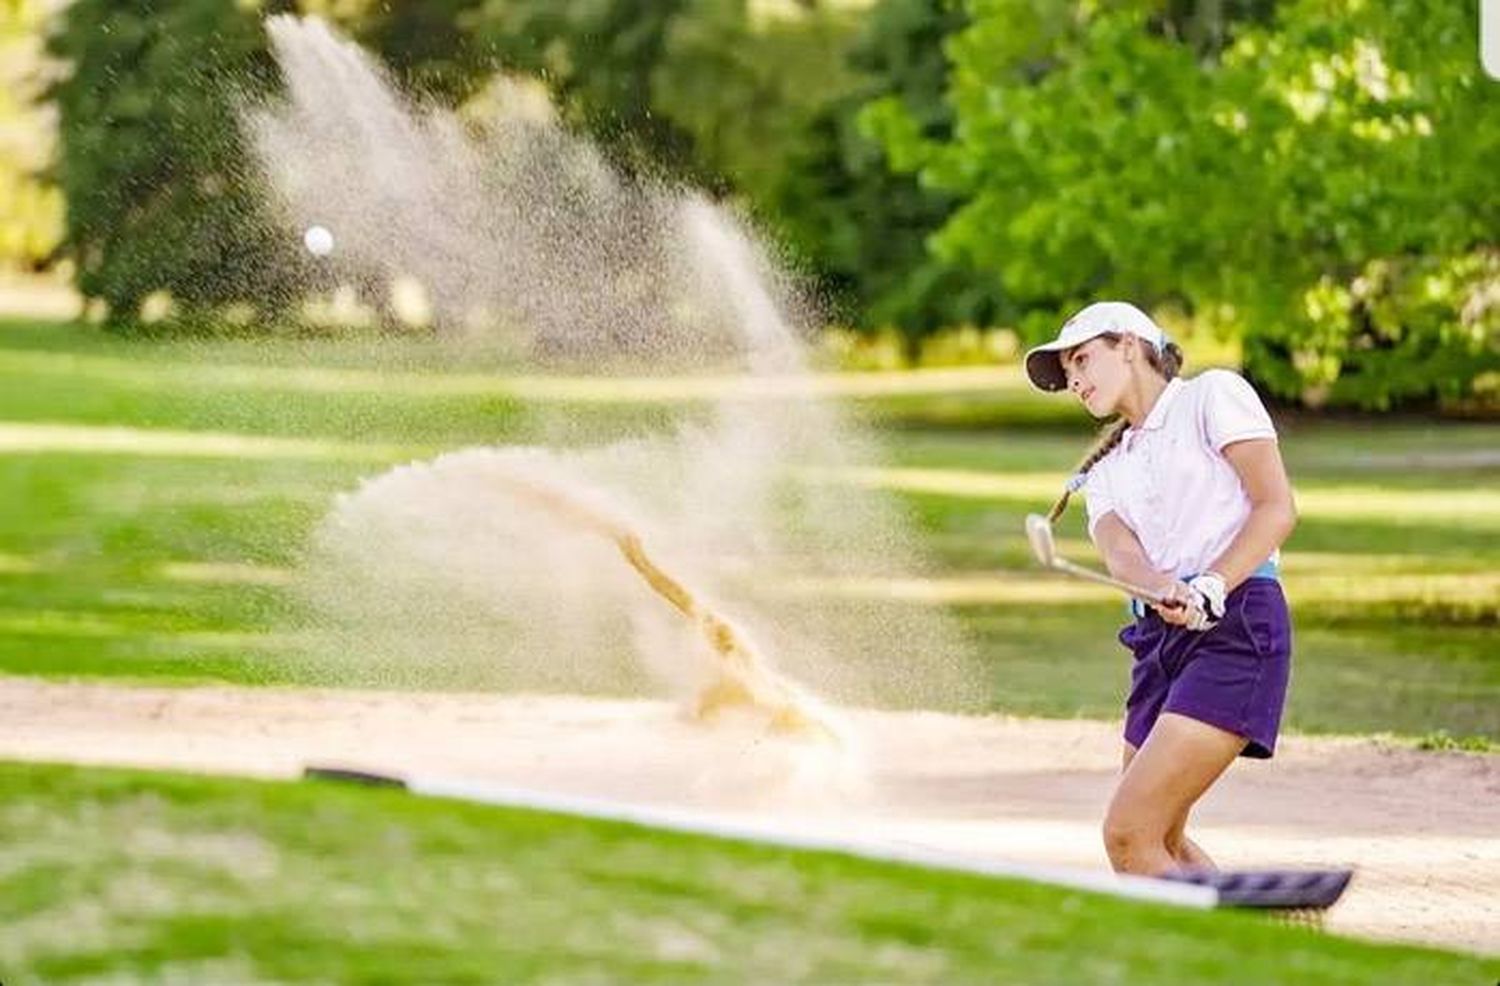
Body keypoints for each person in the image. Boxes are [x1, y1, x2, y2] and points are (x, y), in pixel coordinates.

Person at [1024, 301, 1297, 877]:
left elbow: (1276, 507)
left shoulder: (1211, 398)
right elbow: (1122, 556)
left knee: (1130, 833)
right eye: (1067, 373)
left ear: (1128, 345)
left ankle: (1227, 958)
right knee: (1160, 838)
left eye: (1081, 359)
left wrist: (1212, 584)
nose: (1074, 380)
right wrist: (1165, 589)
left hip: (1238, 626)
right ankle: (1255, 943)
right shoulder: (1103, 472)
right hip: (1158, 642)